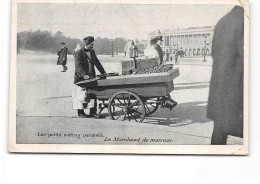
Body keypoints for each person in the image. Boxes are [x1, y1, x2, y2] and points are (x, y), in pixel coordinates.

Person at [207, 6, 244, 145]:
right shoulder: (246, 21)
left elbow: (214, 53)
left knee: (219, 131)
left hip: (220, 91)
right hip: (238, 92)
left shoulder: (223, 21)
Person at [72, 36, 106, 118]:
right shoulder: (78, 53)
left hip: (91, 76)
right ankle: (81, 112)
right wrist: (84, 75)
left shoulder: (92, 52)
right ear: (87, 44)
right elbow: (78, 67)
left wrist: (103, 73)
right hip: (81, 78)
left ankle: (93, 112)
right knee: (81, 95)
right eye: (91, 44)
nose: (93, 46)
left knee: (93, 94)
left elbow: (97, 63)